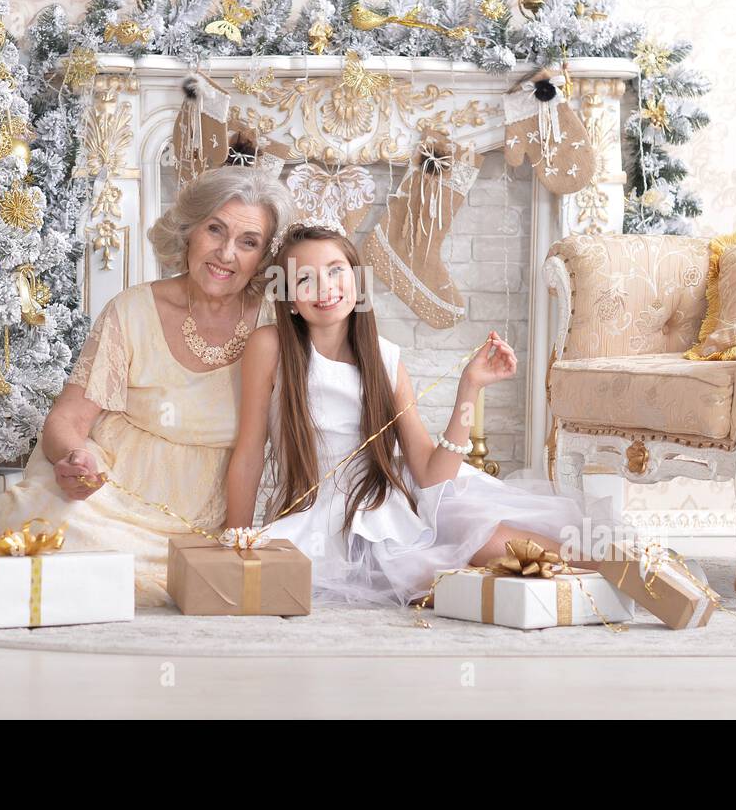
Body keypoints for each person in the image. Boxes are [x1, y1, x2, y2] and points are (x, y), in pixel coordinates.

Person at [0, 166, 296, 609]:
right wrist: (76, 457)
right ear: (190, 231)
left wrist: (236, 545)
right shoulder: (133, 309)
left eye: (248, 242)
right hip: (107, 487)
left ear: (264, 257)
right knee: (50, 524)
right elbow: (68, 418)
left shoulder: (277, 326)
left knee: (107, 564)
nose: (226, 253)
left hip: (197, 512)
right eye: (215, 230)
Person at [223, 220, 595, 606]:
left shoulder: (385, 359)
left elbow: (433, 477)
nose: (326, 288)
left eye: (336, 271)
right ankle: (545, 587)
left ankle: (611, 572)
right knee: (434, 574)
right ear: (289, 299)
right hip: (322, 514)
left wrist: (470, 387)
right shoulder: (269, 347)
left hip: (389, 496)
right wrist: (235, 540)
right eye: (305, 279)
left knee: (486, 533)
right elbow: (249, 452)